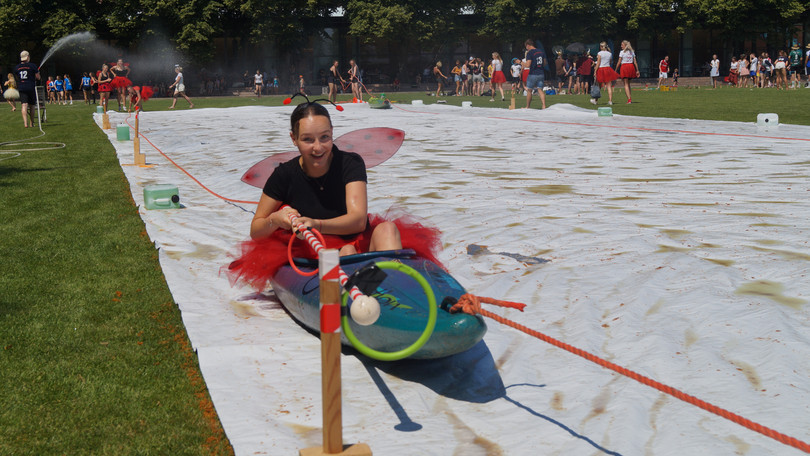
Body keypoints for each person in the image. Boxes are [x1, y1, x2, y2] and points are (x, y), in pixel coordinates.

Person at [14, 50, 41, 128]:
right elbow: (38, 77)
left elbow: (17, 77)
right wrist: (38, 73)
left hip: (22, 87)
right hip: (30, 87)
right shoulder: (32, 66)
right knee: (32, 105)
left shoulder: (17, 67)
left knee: (24, 105)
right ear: (28, 57)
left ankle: (25, 123)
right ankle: (31, 123)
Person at [522, 39, 546, 109]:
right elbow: (544, 63)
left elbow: (527, 65)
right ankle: (544, 105)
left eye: (526, 47)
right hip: (541, 73)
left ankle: (528, 106)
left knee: (529, 90)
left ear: (528, 45)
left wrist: (520, 62)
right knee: (540, 89)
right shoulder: (541, 51)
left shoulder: (530, 53)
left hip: (533, 73)